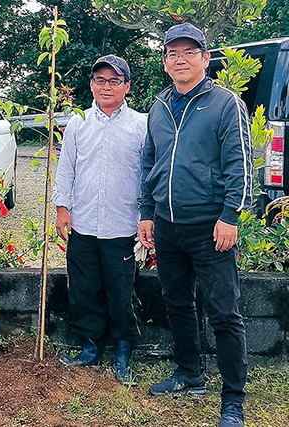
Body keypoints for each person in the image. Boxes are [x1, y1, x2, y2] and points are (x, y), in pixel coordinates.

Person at [138, 23, 252, 427]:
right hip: (167, 226)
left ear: (205, 58)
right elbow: (148, 163)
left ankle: (233, 399)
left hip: (210, 227)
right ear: (165, 61)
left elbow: (240, 164)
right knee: (178, 302)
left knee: (224, 311)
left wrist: (229, 217)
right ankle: (189, 374)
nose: (179, 59)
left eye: (189, 52)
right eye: (172, 53)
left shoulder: (225, 104)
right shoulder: (160, 106)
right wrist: (147, 213)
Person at [51, 54, 146, 383]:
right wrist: (62, 208)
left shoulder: (140, 125)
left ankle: (123, 350)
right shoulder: (77, 123)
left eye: (114, 81)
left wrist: (147, 216)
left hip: (123, 224)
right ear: (91, 85)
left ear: (127, 86)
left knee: (122, 290)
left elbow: (148, 175)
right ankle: (90, 346)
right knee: (84, 287)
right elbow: (67, 169)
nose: (106, 87)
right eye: (100, 80)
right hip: (84, 222)